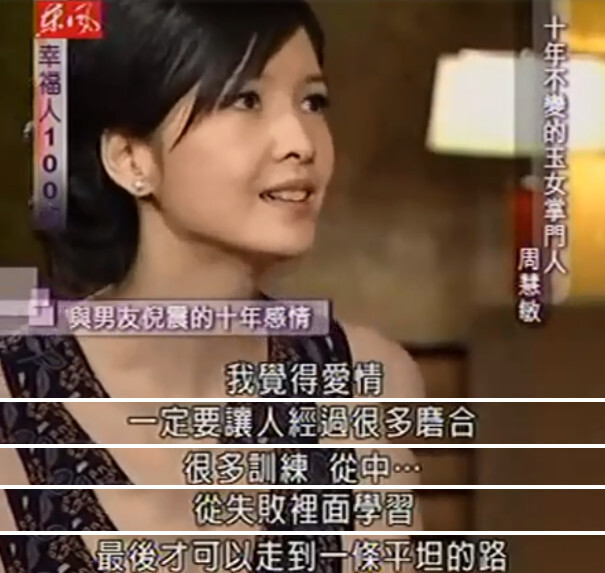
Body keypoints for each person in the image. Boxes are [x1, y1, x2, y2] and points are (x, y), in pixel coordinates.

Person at [0, 1, 424, 571]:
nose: (300, 141)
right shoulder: (13, 393)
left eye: (313, 102)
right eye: (245, 99)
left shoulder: (363, 380)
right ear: (130, 158)